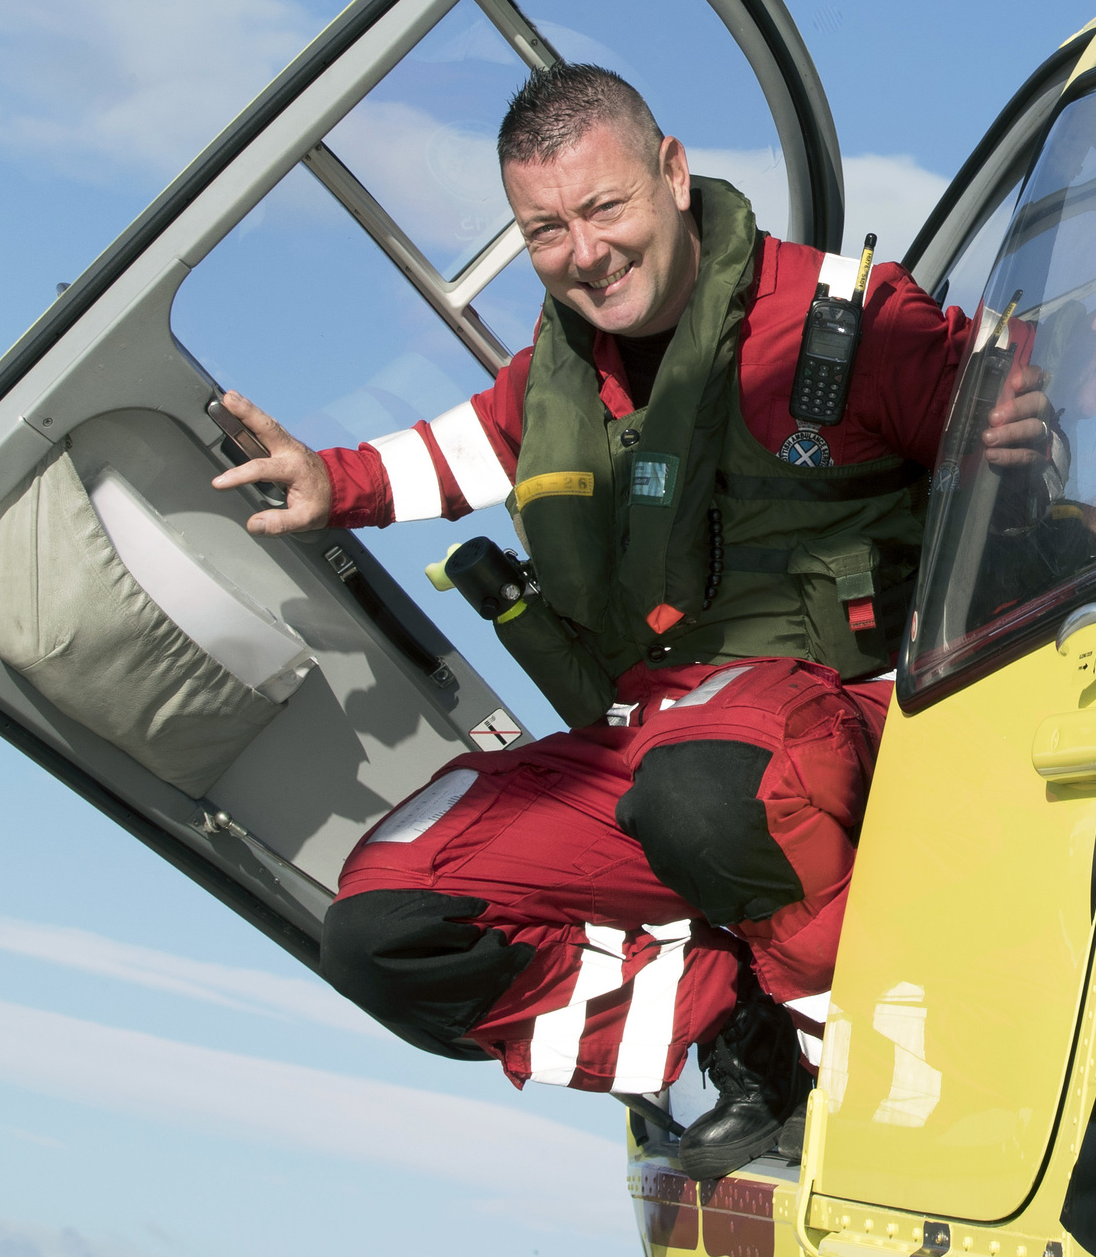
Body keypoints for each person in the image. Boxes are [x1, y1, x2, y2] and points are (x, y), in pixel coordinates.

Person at [208, 64, 1043, 1179]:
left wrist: (1027, 433)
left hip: (839, 724)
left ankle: (884, 1087)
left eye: (604, 209)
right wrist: (331, 479)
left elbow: (1029, 434)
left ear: (674, 173)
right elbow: (457, 452)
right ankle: (733, 1020)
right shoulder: (555, 376)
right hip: (662, 744)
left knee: (711, 780)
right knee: (389, 921)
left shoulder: (846, 326)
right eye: (545, 228)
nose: (585, 253)